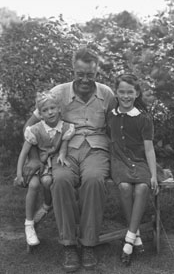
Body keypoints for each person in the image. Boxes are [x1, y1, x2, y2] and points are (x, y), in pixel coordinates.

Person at [23, 47, 116, 272]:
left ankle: (89, 243)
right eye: (80, 73)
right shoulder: (59, 93)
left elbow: (118, 128)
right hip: (65, 150)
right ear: (73, 70)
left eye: (90, 74)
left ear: (97, 72)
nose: (85, 79)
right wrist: (34, 158)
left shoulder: (107, 94)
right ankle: (69, 244)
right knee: (61, 180)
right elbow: (29, 127)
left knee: (94, 180)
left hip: (96, 149)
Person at [107, 73, 160, 266]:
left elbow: (148, 149)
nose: (126, 96)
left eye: (130, 92)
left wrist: (153, 175)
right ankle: (135, 235)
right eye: (122, 91)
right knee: (124, 187)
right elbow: (108, 136)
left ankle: (129, 238)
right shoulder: (111, 115)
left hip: (139, 161)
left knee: (142, 188)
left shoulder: (144, 118)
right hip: (119, 160)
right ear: (116, 92)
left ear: (137, 93)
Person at [15, 91, 75, 247]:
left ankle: (47, 205)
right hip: (36, 161)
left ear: (59, 109)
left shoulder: (66, 127)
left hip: (50, 163)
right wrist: (19, 174)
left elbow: (64, 145)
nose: (50, 112)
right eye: (45, 110)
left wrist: (62, 154)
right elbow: (23, 153)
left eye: (52, 108)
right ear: (40, 114)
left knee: (48, 181)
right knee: (34, 185)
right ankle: (29, 224)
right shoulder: (34, 130)